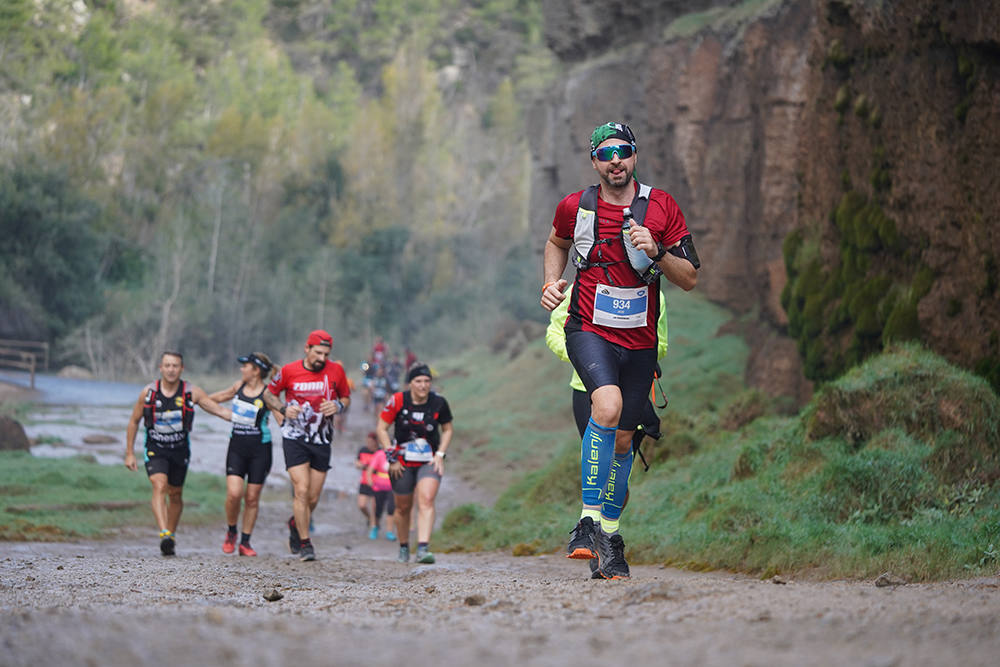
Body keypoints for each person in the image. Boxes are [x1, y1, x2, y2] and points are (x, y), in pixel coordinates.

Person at [540, 121, 699, 579]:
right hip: (588, 329)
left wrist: (657, 252)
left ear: (634, 157)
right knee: (605, 405)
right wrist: (550, 283)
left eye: (623, 151)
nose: (615, 160)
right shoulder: (576, 206)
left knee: (625, 439)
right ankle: (587, 524)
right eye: (605, 153)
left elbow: (689, 277)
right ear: (594, 162)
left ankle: (609, 536)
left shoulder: (661, 206)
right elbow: (556, 242)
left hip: (640, 340)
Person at [546, 282, 668, 578]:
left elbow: (660, 343)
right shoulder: (581, 286)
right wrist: (589, 356)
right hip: (584, 387)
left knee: (620, 455)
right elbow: (555, 332)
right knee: (599, 462)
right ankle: (593, 529)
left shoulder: (654, 293)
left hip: (632, 384)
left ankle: (607, 537)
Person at [124, 351, 233, 556]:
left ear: (181, 369)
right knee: (160, 485)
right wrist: (129, 452)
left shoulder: (191, 392)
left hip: (180, 450)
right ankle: (164, 532)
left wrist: (241, 418)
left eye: (175, 366)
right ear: (161, 368)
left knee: (175, 494)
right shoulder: (148, 392)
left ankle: (170, 537)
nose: (171, 370)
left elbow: (218, 410)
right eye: (167, 365)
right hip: (155, 448)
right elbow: (133, 422)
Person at [268, 329, 351, 561]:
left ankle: (296, 523)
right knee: (301, 490)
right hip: (294, 437)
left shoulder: (337, 370)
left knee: (312, 498)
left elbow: (345, 396)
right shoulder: (288, 370)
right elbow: (268, 394)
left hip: (322, 439)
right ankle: (306, 544)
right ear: (307, 349)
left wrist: (338, 406)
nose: (322, 359)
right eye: (317, 353)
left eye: (326, 354)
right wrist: (283, 410)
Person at [376, 363, 453, 564]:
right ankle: (403, 547)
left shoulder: (439, 403)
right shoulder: (398, 401)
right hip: (401, 461)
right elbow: (382, 428)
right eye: (418, 381)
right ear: (410, 383)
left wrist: (441, 454)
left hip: (429, 459)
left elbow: (447, 429)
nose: (423, 385)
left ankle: (423, 548)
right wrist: (391, 457)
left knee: (426, 499)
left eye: (427, 381)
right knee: (402, 507)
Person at [208, 352, 284, 557]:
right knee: (234, 494)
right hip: (237, 448)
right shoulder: (237, 387)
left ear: (256, 371)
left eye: (245, 366)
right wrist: (196, 400)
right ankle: (231, 531)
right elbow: (215, 398)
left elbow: (280, 417)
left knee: (251, 498)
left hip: (261, 450)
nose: (242, 369)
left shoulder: (268, 393)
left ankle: (246, 541)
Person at [365, 444, 397, 542]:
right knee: (378, 508)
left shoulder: (396, 455)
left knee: (391, 508)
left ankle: (389, 531)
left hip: (392, 486)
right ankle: (375, 527)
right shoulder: (379, 454)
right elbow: (370, 470)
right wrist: (370, 483)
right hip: (379, 486)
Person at [355, 431, 377, 535]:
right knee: (362, 505)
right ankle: (370, 519)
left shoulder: (380, 452)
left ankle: (373, 528)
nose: (369, 444)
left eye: (371, 442)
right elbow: (357, 463)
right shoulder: (363, 450)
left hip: (376, 482)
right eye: (368, 441)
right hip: (364, 482)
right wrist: (362, 465)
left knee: (374, 506)